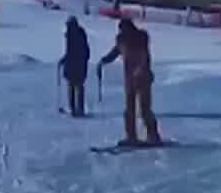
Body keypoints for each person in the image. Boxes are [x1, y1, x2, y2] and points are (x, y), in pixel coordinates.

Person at [97, 17, 161, 146]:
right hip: (129, 79)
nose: (121, 31)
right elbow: (115, 52)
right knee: (129, 110)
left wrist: (140, 68)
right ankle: (131, 136)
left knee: (144, 109)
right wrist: (103, 61)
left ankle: (153, 135)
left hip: (143, 77)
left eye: (123, 29)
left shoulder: (140, 39)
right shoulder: (122, 40)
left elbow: (144, 56)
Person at [61, 16, 91, 117]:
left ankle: (74, 108)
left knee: (74, 86)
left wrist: (66, 59)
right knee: (77, 86)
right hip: (79, 64)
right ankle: (77, 108)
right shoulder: (79, 34)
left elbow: (72, 51)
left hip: (75, 65)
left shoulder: (72, 35)